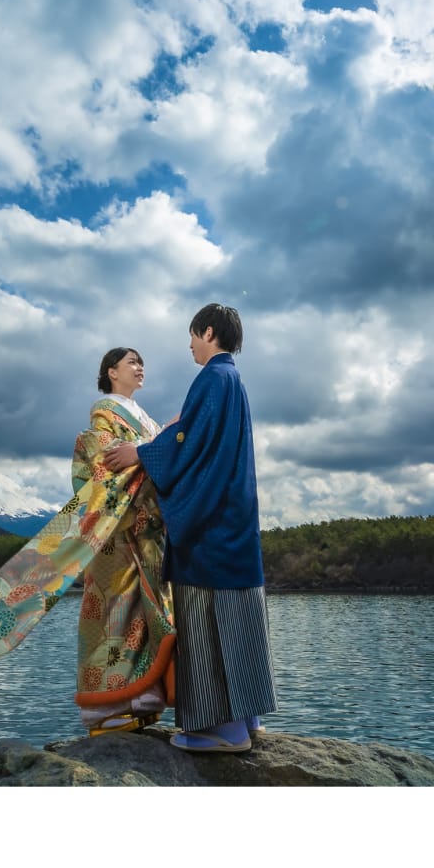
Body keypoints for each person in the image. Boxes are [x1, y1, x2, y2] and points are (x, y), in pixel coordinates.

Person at [0, 347, 176, 737]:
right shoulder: (104, 417)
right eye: (131, 362)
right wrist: (153, 449)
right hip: (117, 533)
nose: (140, 367)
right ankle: (108, 705)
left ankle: (142, 698)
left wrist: (158, 441)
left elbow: (147, 458)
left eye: (142, 363)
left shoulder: (143, 419)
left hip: (146, 534)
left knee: (142, 616)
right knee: (115, 612)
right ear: (111, 372)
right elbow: (104, 469)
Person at [104, 303, 276, 753]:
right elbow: (194, 435)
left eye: (193, 336)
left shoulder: (212, 379)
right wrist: (170, 435)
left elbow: (189, 443)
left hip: (208, 530)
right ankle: (248, 718)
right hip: (234, 522)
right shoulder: (233, 381)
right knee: (239, 625)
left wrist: (141, 452)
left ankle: (220, 731)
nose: (190, 345)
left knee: (207, 626)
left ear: (209, 332)